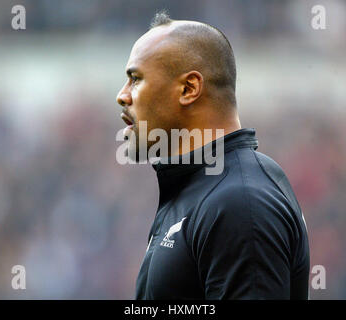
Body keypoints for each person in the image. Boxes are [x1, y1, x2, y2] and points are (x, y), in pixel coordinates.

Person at [116, 11, 310, 300]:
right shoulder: (201, 189)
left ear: (189, 88)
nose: (122, 95)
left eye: (135, 79)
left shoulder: (239, 202)